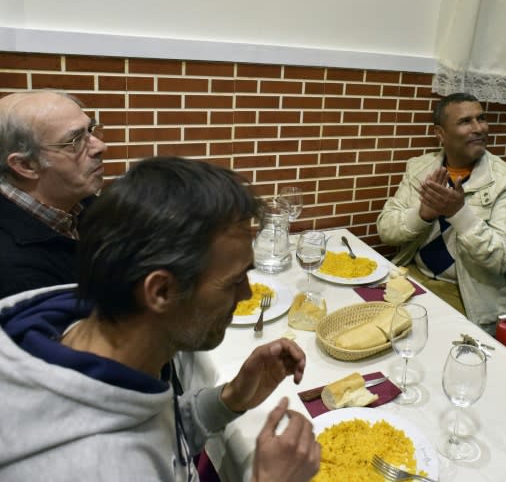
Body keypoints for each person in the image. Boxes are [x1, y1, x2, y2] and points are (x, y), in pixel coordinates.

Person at [0, 157, 320, 481]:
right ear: (161, 291)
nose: (248, 294)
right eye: (235, 281)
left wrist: (231, 398)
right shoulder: (88, 466)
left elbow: (159, 441)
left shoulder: (91, 343)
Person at [377, 92, 506, 334]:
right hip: (412, 277)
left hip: (466, 297)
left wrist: (460, 215)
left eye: (481, 119)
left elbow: (502, 258)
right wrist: (423, 214)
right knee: (372, 331)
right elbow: (386, 230)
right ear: (440, 134)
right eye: (466, 121)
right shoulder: (419, 168)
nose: (479, 128)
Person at [0, 90, 105, 298]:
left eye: (90, 130)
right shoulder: (16, 273)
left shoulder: (79, 202)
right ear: (26, 165)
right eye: (75, 141)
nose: (101, 146)